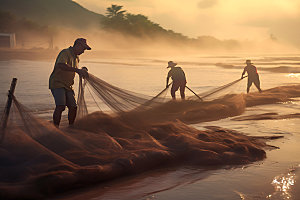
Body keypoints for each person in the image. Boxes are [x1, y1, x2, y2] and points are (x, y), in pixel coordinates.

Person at [49, 38, 90, 127]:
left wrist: (82, 69)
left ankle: (71, 127)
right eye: (83, 49)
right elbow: (61, 65)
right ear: (78, 45)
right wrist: (77, 70)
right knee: (61, 106)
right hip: (57, 83)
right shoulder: (65, 52)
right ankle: (55, 128)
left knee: (73, 107)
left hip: (68, 85)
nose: (83, 51)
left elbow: (73, 68)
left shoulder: (76, 57)